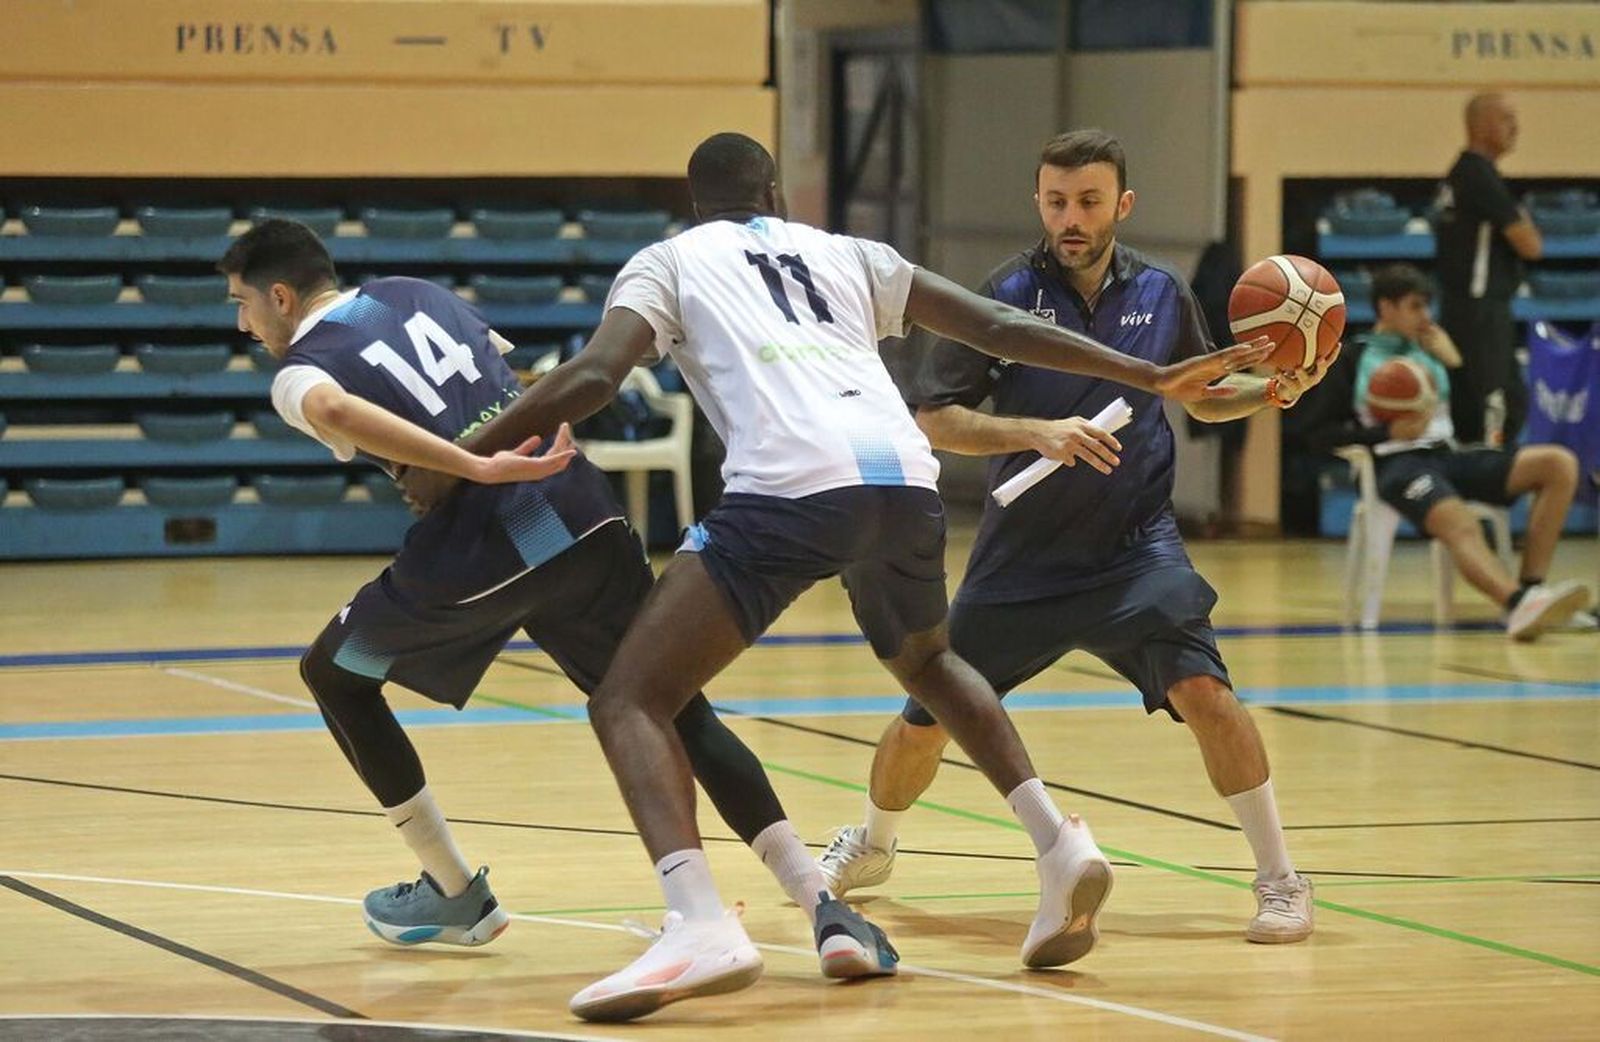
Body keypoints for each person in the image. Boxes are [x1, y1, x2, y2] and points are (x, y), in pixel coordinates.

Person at [401, 131, 1272, 1022]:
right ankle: (1058, 843)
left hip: (789, 490)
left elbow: (593, 374)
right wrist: (1151, 374)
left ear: (693, 201)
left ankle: (699, 920)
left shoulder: (665, 261)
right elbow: (1003, 327)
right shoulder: (847, 251)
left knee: (629, 697)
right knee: (930, 664)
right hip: (901, 480)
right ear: (774, 193)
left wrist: (460, 457)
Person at [218, 219, 896, 980]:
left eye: (243, 303)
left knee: (336, 674)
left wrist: (466, 468)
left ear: (280, 296)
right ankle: (823, 909)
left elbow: (338, 411)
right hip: (582, 513)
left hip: (486, 546)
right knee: (668, 706)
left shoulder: (296, 371)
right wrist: (499, 452)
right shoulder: (419, 294)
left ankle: (453, 892)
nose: (243, 323)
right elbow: (515, 387)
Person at [818, 129, 1327, 946]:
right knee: (927, 719)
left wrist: (1269, 392)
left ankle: (1281, 881)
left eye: (1088, 201)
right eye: (1057, 201)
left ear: (1122, 205)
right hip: (1023, 559)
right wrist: (1038, 432)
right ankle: (873, 844)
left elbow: (1202, 398)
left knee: (1209, 695)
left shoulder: (1162, 294)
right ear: (1039, 203)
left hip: (1136, 548)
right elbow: (936, 419)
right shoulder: (1004, 294)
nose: (1071, 218)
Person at [1299, 263, 1592, 637]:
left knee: (1558, 464)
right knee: (1462, 524)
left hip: (1449, 455)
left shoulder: (1433, 352)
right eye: (1415, 306)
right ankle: (1518, 604)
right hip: (1396, 464)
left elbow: (1471, 425)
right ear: (1385, 307)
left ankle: (1534, 590)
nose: (1426, 316)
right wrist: (1387, 431)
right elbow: (1317, 435)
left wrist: (1455, 365)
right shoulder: (1350, 359)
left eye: (1427, 307)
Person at [1434, 91, 1543, 446]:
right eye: (1506, 118)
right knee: (1492, 404)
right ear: (1479, 125)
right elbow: (1530, 245)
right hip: (1479, 309)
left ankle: (1486, 480)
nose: (1516, 127)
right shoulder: (1476, 174)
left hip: (1472, 308)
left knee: (1506, 400)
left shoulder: (1466, 173)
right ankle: (1482, 483)